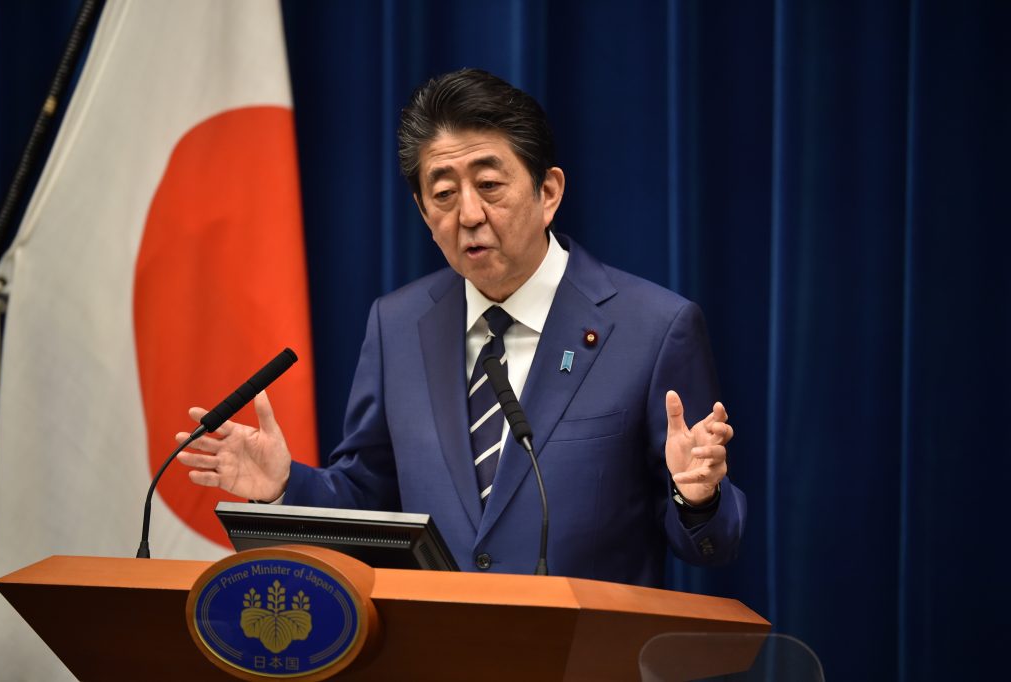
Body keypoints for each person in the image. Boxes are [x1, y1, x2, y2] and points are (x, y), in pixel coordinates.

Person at [177, 68, 746, 587]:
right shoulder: (397, 325)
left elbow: (713, 545)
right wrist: (284, 487)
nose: (468, 214)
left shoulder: (653, 326)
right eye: (444, 194)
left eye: (490, 186)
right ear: (426, 215)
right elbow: (368, 497)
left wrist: (695, 497)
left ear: (548, 193)